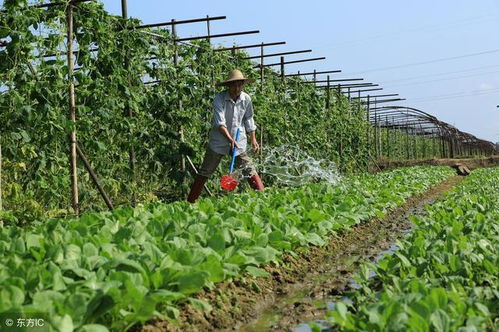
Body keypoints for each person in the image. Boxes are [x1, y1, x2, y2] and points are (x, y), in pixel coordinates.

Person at [187, 69, 265, 203]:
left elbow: (249, 119)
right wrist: (230, 139)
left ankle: (264, 199)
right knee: (205, 171)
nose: (237, 88)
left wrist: (253, 139)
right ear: (228, 86)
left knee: (249, 169)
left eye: (240, 85)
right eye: (234, 85)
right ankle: (190, 202)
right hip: (219, 141)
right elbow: (220, 123)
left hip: (239, 141)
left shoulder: (246, 99)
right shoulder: (219, 99)